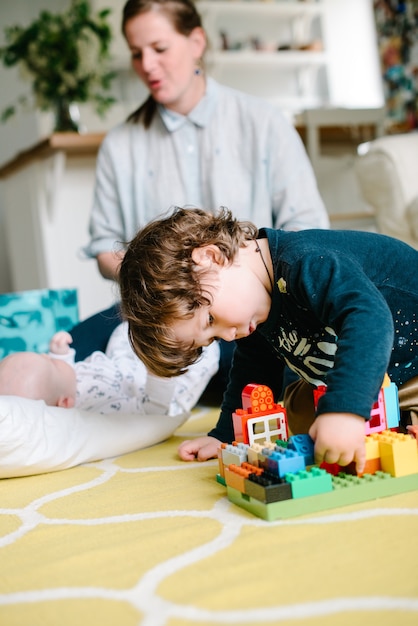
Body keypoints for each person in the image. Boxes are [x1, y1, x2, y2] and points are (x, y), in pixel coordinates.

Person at [74, 0, 329, 367]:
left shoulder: (264, 122)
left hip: (255, 314)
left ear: (197, 42)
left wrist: (244, 291)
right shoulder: (120, 145)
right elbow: (104, 250)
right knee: (71, 352)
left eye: (159, 49)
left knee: (265, 362)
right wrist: (169, 284)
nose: (147, 65)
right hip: (171, 318)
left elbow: (309, 230)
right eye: (136, 53)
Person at [118, 206, 418, 474]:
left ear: (211, 257)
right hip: (374, 380)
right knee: (295, 409)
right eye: (210, 339)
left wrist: (344, 411)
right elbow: (253, 372)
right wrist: (225, 435)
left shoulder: (306, 262)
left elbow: (369, 319)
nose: (225, 335)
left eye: (209, 320)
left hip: (410, 369)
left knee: (339, 410)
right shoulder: (251, 314)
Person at [0, 322, 219, 416]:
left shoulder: (63, 386)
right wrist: (159, 373)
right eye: (51, 361)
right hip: (159, 389)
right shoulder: (99, 409)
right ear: (65, 404)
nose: (49, 356)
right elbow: (152, 411)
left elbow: (60, 379)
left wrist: (61, 355)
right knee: (204, 357)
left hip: (125, 366)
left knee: (126, 330)